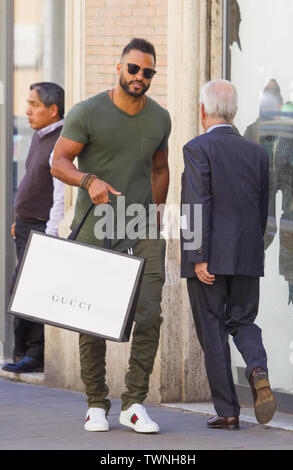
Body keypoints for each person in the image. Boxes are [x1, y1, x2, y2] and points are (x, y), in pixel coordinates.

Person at [51, 38, 171, 433]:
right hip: (96, 228)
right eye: (134, 69)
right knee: (93, 316)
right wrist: (88, 180)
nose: (140, 77)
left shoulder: (159, 119)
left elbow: (159, 168)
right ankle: (96, 402)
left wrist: (155, 215)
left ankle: (134, 402)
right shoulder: (87, 112)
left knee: (150, 313)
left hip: (142, 228)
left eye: (148, 72)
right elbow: (59, 162)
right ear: (119, 68)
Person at [180, 79, 276, 430]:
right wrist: (255, 250)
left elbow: (195, 204)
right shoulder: (257, 152)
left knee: (213, 329)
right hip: (247, 255)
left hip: (211, 258)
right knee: (244, 322)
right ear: (233, 112)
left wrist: (198, 255)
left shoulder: (196, 148)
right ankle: (257, 368)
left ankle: (228, 412)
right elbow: (263, 208)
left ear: (203, 110)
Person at [2, 82, 65, 374]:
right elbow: (32, 180)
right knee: (23, 288)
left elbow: (60, 192)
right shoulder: (39, 136)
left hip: (42, 229)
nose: (27, 110)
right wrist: (19, 219)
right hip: (26, 226)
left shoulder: (60, 141)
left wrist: (51, 233)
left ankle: (35, 355)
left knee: (29, 290)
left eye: (34, 104)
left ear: (53, 110)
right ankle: (25, 353)